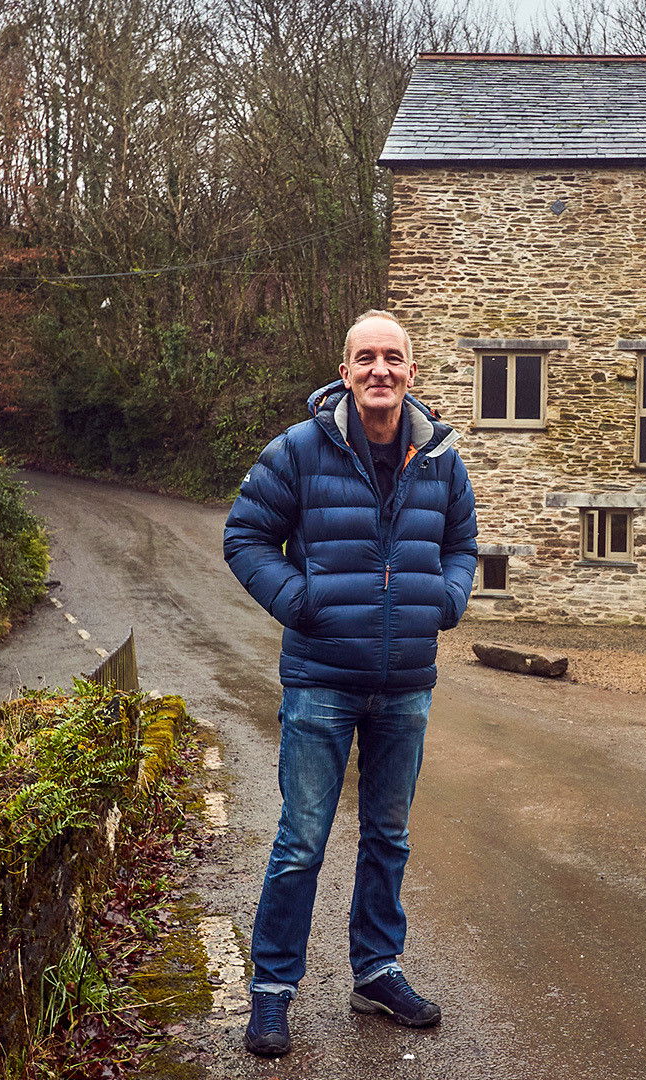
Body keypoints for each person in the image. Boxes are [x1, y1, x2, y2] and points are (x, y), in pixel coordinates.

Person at [222, 309, 478, 1057]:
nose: (380, 371)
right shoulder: (299, 451)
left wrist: (448, 599)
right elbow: (244, 537)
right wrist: (302, 603)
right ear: (344, 371)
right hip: (320, 680)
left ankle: (376, 971)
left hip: (406, 682)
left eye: (392, 358)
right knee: (301, 841)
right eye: (366, 358)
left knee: (388, 836)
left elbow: (462, 542)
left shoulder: (437, 456)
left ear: (411, 372)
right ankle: (272, 991)